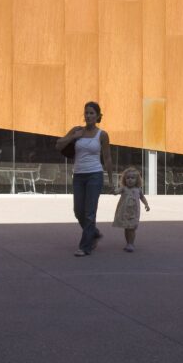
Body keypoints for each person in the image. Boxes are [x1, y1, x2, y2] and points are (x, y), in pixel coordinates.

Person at [56, 101, 113, 256]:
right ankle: (93, 232)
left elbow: (107, 158)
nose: (88, 116)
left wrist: (111, 181)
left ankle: (85, 246)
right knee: (78, 211)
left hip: (95, 174)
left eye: (91, 113)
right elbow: (58, 145)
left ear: (98, 116)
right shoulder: (77, 130)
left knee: (89, 212)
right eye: (86, 113)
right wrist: (73, 137)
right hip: (79, 175)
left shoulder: (102, 135)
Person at [112, 167, 149, 252]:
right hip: (125, 212)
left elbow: (142, 198)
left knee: (132, 228)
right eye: (128, 178)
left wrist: (146, 204)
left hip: (134, 212)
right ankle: (128, 243)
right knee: (126, 228)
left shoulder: (138, 190)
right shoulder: (123, 188)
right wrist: (113, 191)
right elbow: (116, 192)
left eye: (132, 178)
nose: (130, 180)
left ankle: (131, 244)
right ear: (125, 179)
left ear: (137, 180)